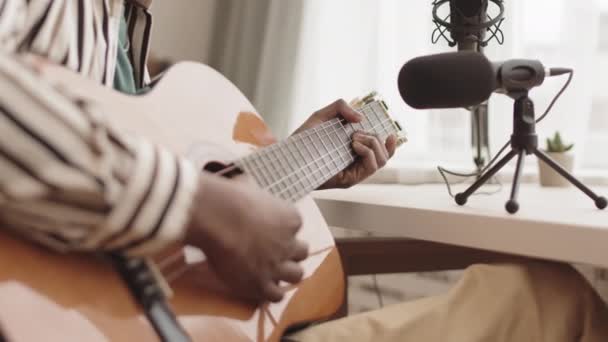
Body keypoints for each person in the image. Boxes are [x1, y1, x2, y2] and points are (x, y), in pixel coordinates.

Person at [0, 1, 606, 341]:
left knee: (542, 293)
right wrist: (199, 206)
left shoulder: (122, 29)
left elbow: (144, 241)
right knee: (552, 306)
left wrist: (294, 164)